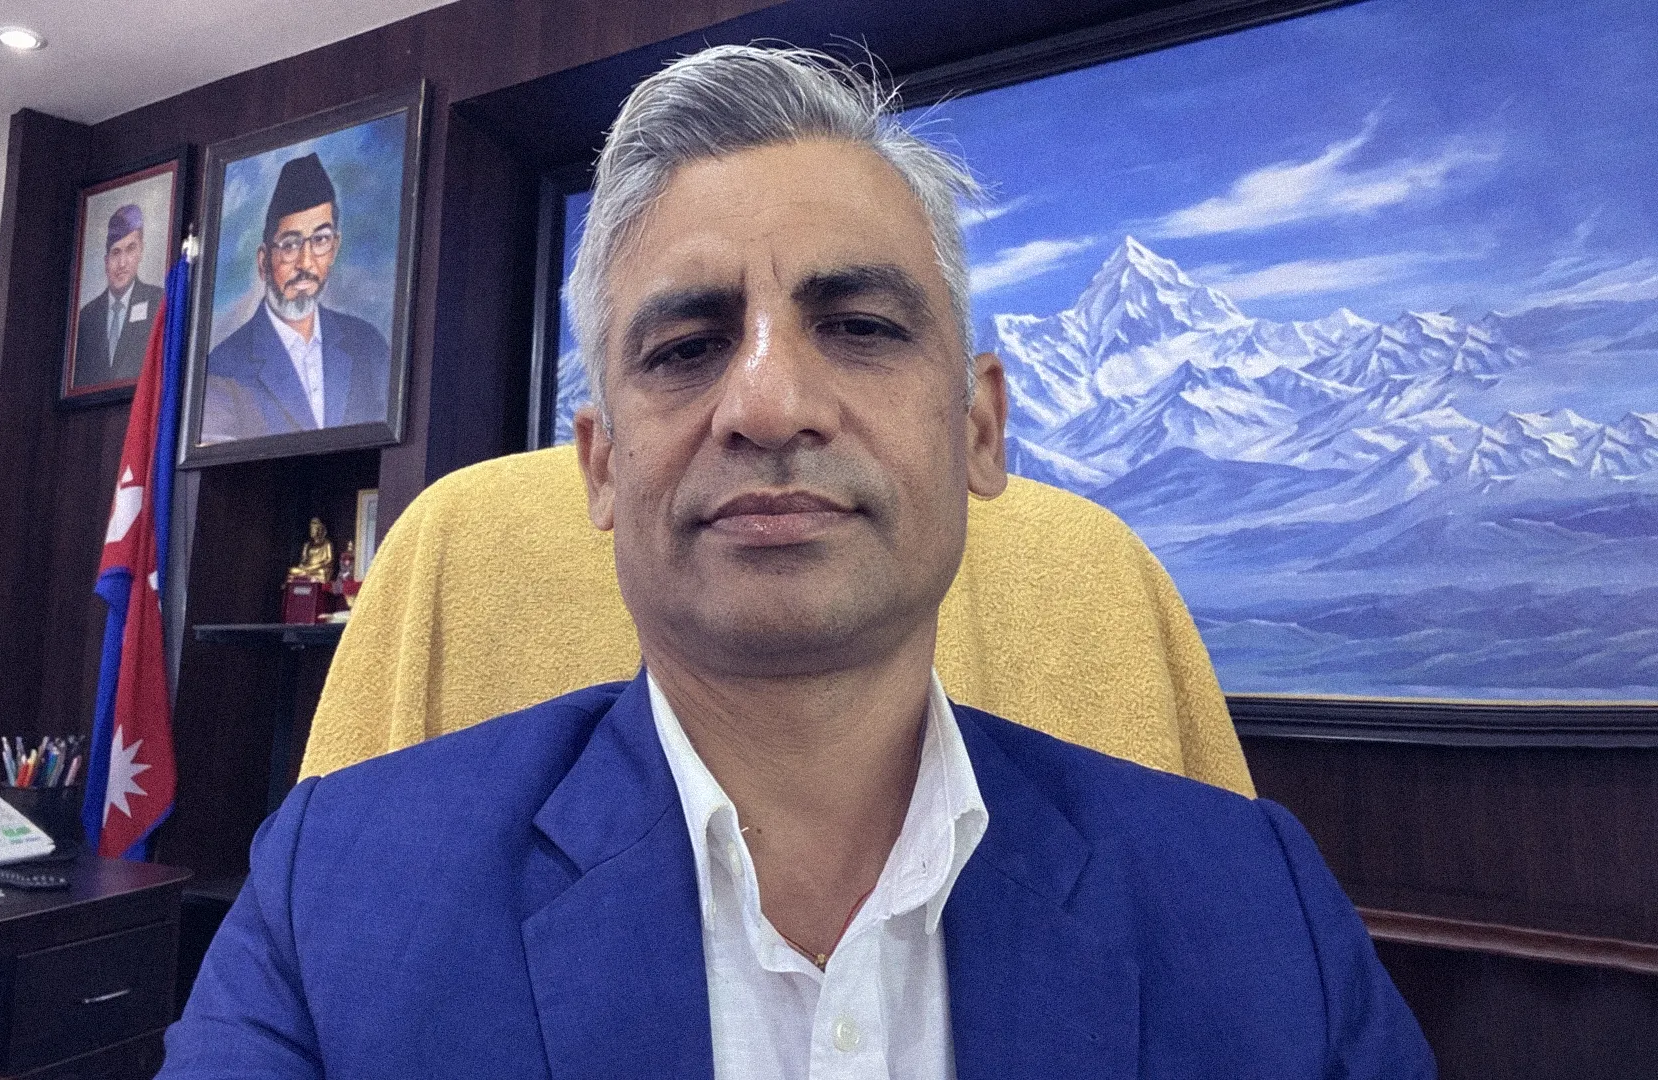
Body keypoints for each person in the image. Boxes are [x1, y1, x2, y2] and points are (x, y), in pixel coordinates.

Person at [158, 46, 1434, 1079]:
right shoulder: (337, 898)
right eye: (684, 349)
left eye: (861, 326)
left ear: (979, 432)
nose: (769, 405)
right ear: (600, 468)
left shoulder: (1260, 909)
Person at [201, 152, 391, 442]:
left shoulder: (368, 347)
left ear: (334, 248)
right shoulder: (224, 368)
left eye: (320, 240)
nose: (306, 263)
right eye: (290, 245)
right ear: (263, 260)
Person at [72, 203, 164, 385]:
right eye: (116, 252)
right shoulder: (87, 317)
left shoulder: (157, 303)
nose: (122, 263)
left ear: (141, 251)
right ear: (106, 261)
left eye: (130, 249)